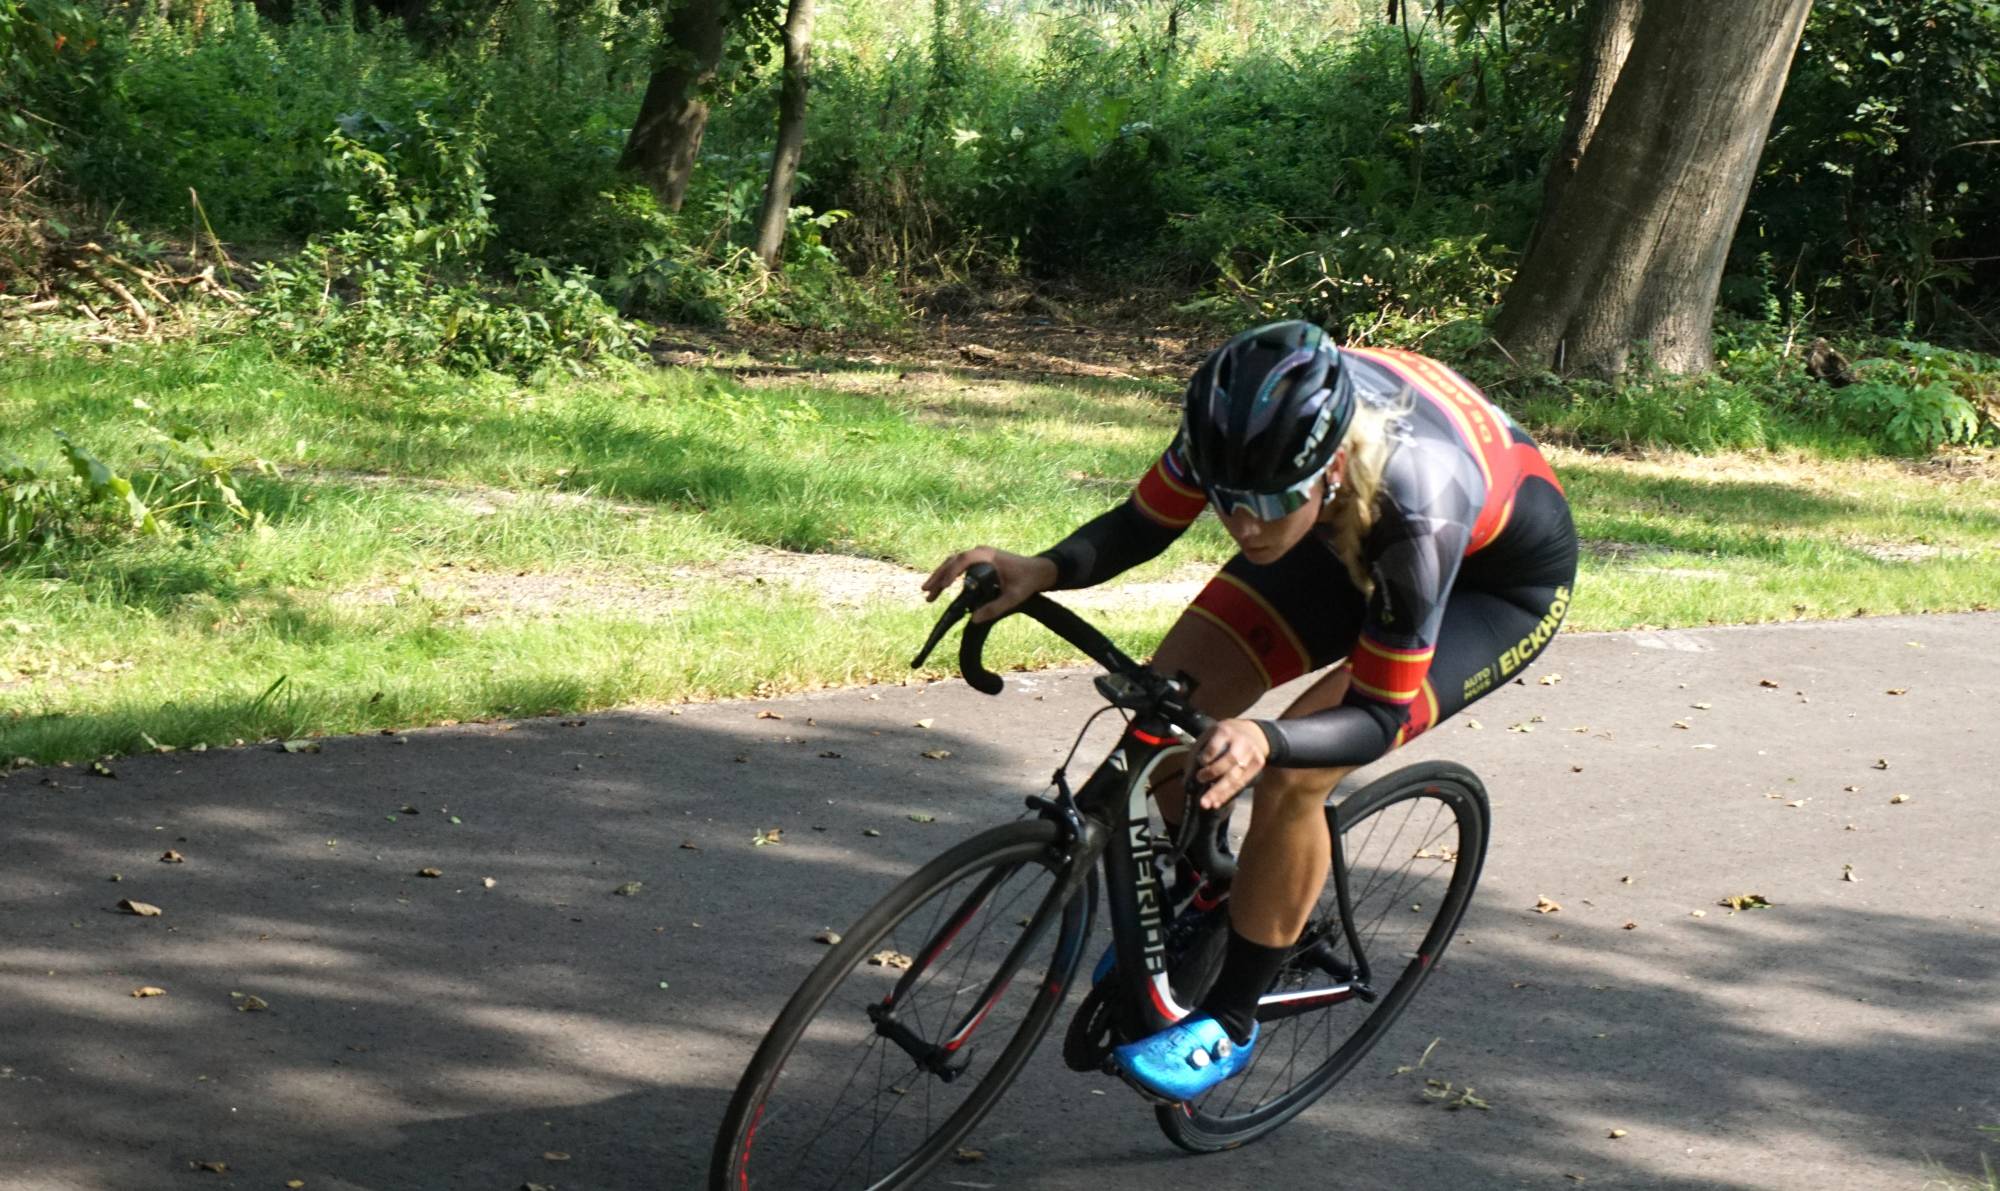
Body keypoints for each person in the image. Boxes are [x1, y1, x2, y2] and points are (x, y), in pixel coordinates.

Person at [921, 319, 1577, 1102]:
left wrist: (1268, 737)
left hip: (1487, 584)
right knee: (1169, 701)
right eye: (1229, 502)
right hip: (1333, 530)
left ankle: (1231, 1020)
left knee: (1293, 776)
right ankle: (1216, 892)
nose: (1247, 525)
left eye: (1269, 501)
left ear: (1329, 464)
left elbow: (1372, 712)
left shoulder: (1416, 508)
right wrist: (1044, 567)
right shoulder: (1236, 440)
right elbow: (1140, 525)